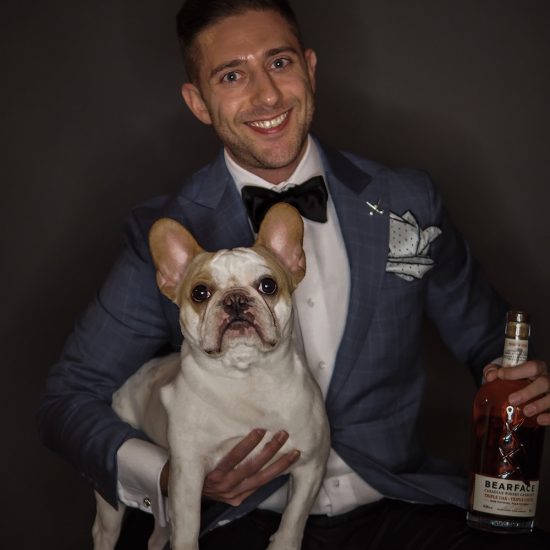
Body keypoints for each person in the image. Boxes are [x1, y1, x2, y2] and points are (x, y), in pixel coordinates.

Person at [38, 1, 550, 548]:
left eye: (279, 63)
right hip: (240, 519)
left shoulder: (407, 199)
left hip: (400, 503)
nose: (266, 95)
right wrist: (169, 475)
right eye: (232, 76)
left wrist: (521, 380)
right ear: (198, 102)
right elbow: (68, 398)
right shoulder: (166, 231)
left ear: (309, 67)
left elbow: (488, 342)